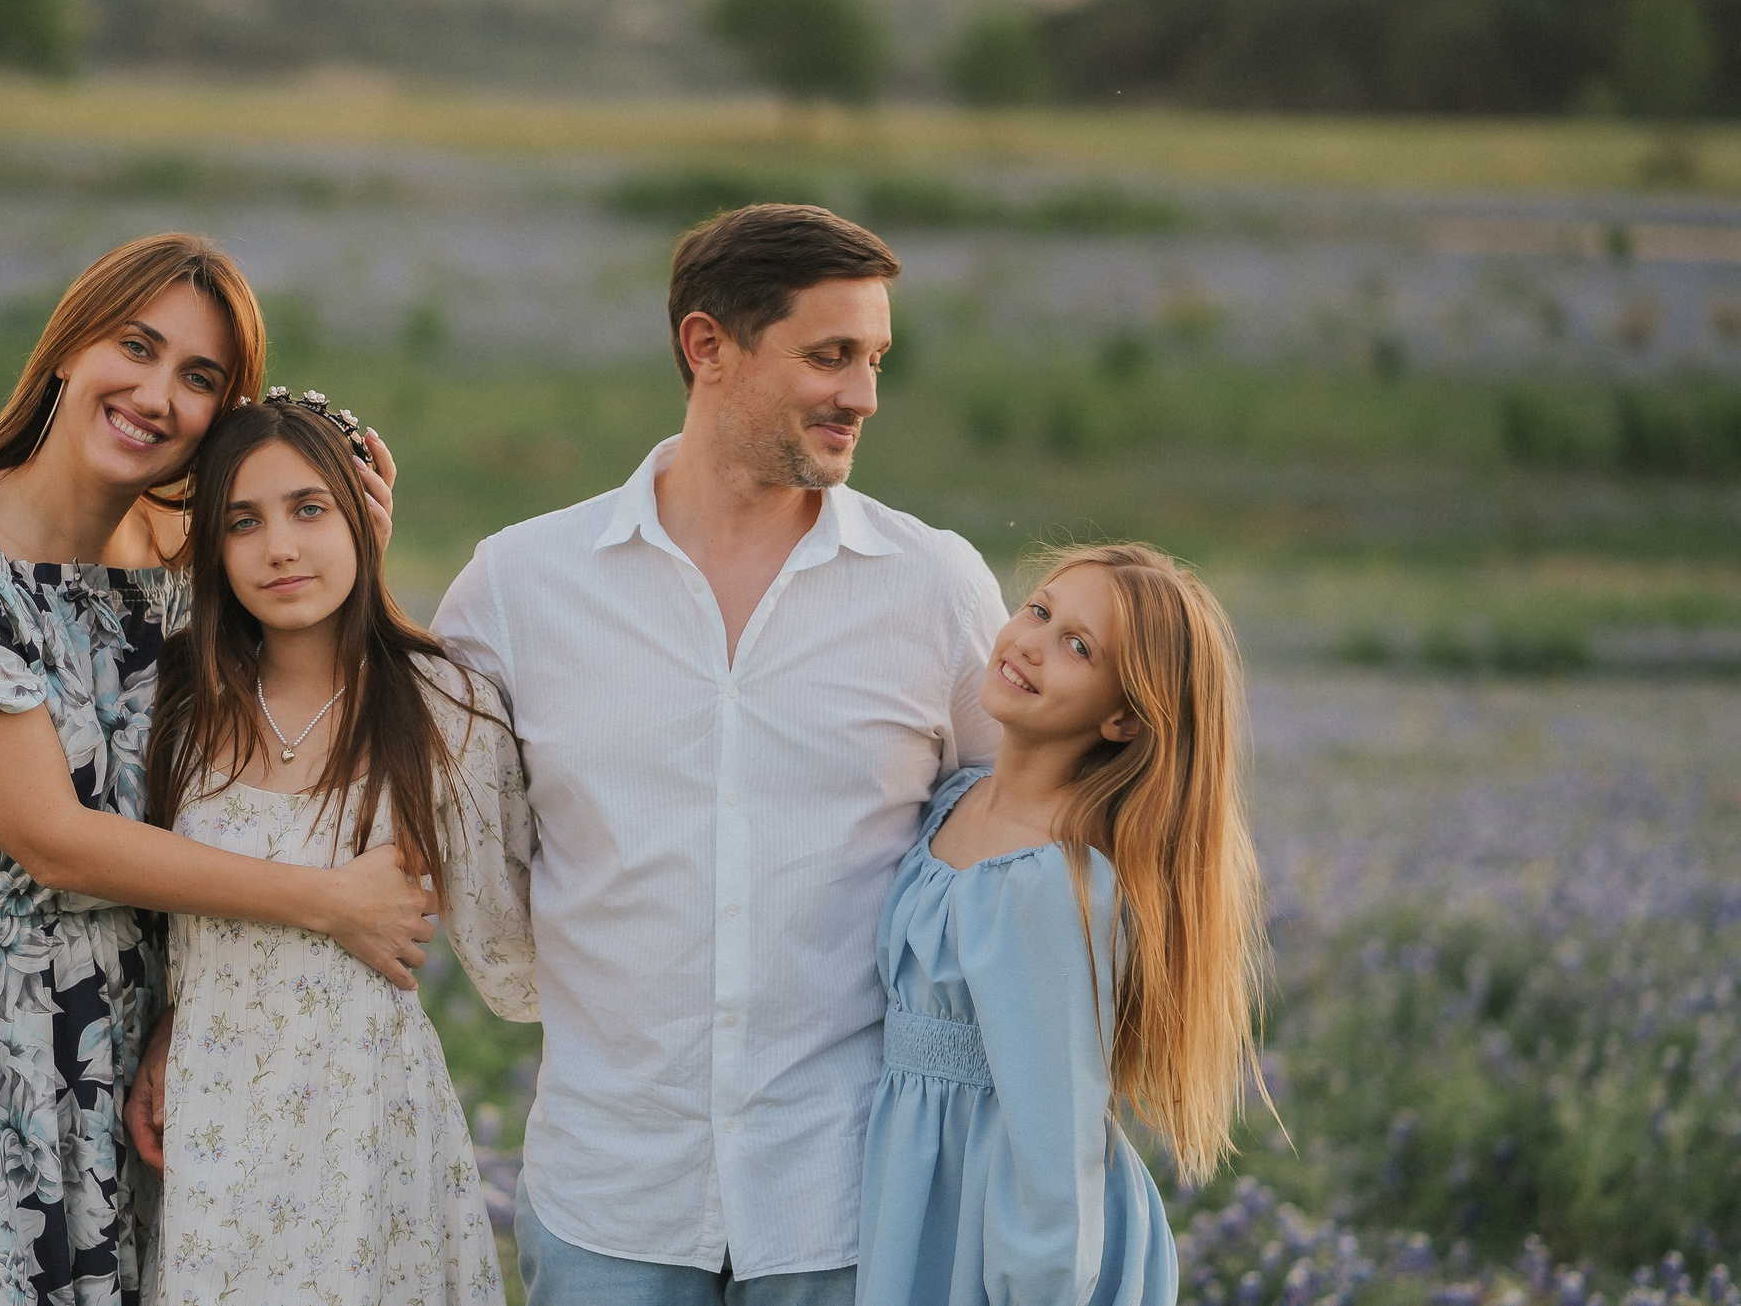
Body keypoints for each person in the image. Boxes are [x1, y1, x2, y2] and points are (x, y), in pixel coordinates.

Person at [0, 234, 434, 1306]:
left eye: (200, 378)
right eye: (138, 346)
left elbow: (260, 773)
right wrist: (325, 903)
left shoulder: (181, 565)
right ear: (72, 345)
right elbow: (55, 840)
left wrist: (347, 554)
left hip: (118, 1038)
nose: (156, 394)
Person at [431, 203, 1007, 1305]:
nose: (863, 395)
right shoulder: (518, 587)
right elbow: (409, 819)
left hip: (848, 1202)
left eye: (875, 358)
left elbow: (1020, 844)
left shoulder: (934, 588)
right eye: (829, 355)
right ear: (707, 348)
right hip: (609, 1195)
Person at [129, 388, 536, 1305]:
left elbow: (514, 949)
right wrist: (166, 1024)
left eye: (311, 509)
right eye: (243, 521)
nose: (280, 547)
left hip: (367, 1120)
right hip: (211, 1117)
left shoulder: (442, 703)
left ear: (363, 514)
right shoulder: (180, 707)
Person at [854, 543, 1266, 1306]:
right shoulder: (954, 802)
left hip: (1008, 1241)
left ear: (1121, 716)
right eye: (1039, 610)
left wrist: (1037, 1285)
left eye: (1078, 647)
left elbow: (1052, 1139)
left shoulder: (1056, 881)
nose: (1032, 642)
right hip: (923, 1206)